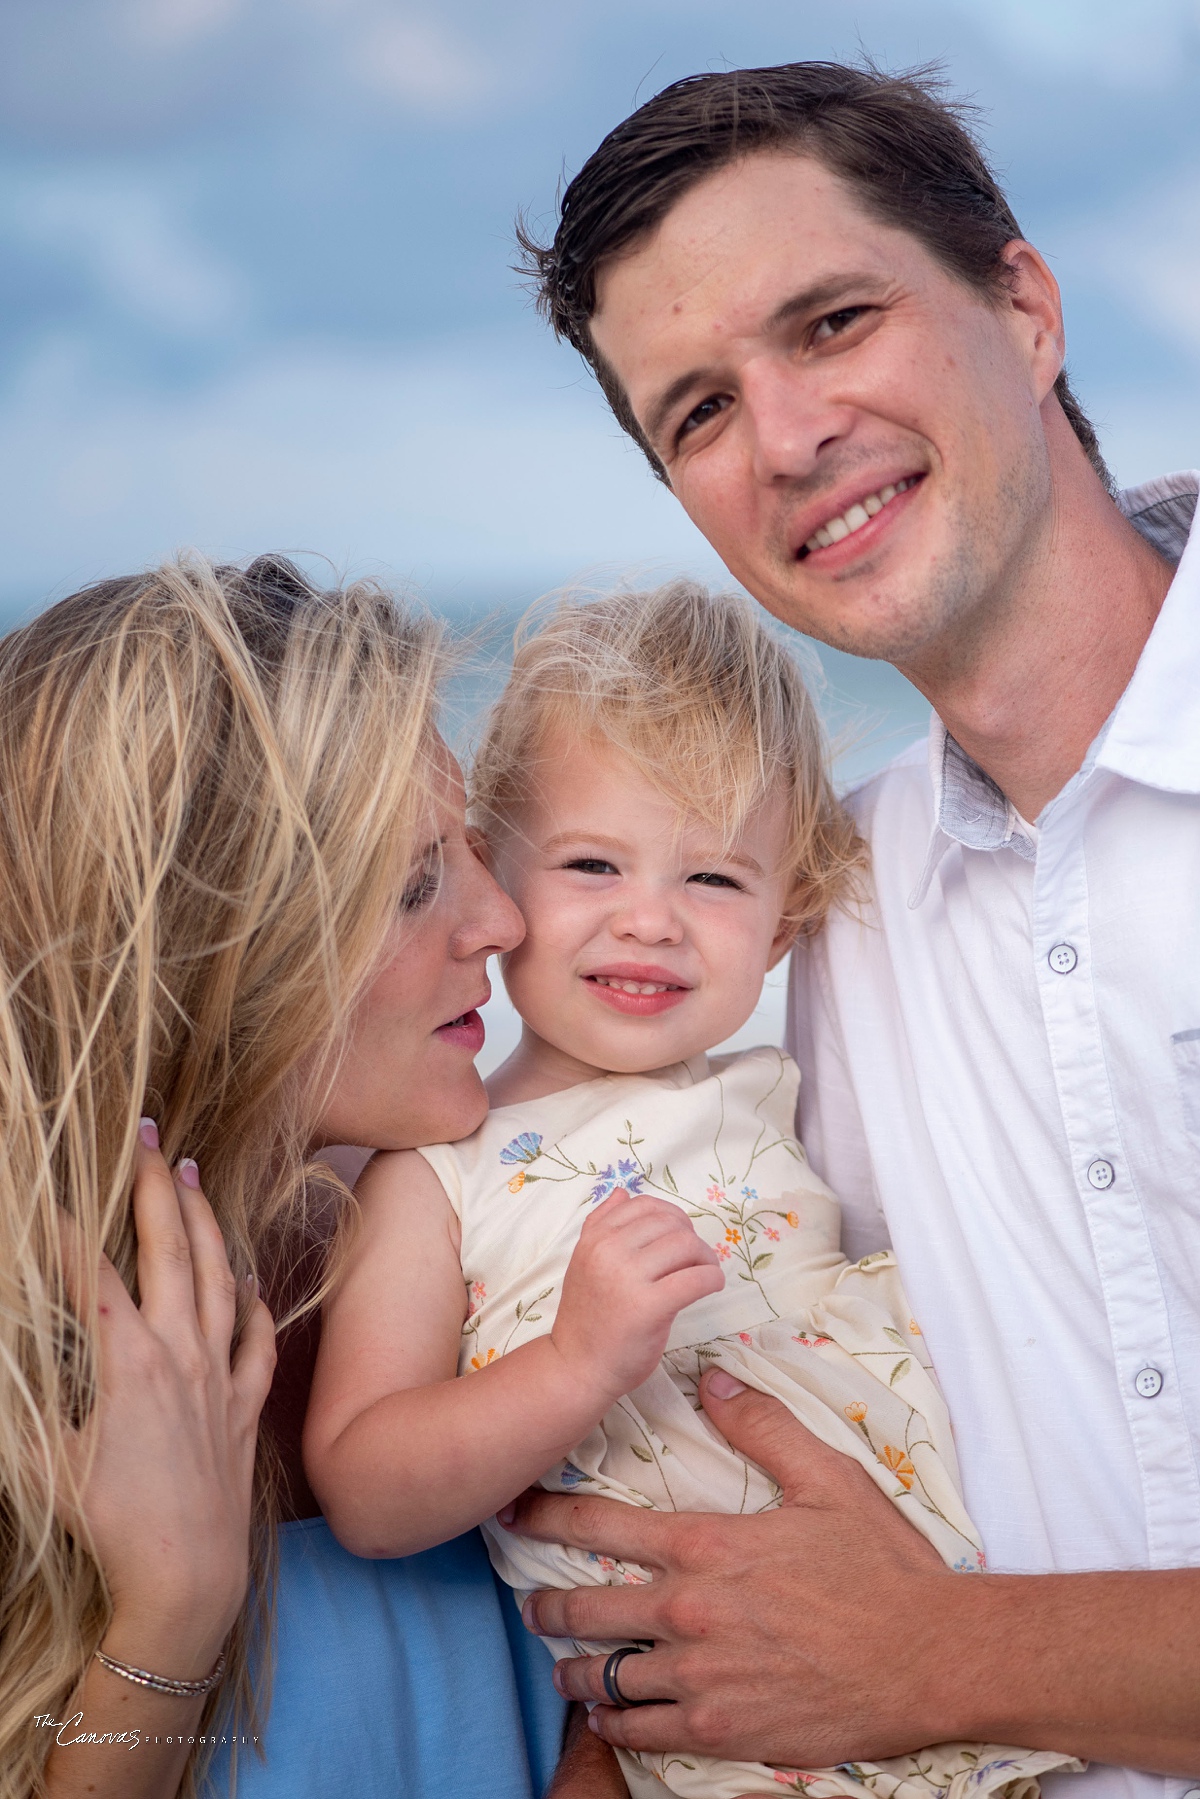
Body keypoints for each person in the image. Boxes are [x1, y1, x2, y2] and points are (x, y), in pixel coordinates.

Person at [502, 60, 1200, 1797]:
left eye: (831, 321)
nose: (791, 437)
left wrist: (935, 1654)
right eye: (700, 412)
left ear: (1025, 308)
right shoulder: (811, 915)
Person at [304, 579, 1082, 1799]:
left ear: (785, 924)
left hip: (935, 1643)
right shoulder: (436, 1173)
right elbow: (364, 1481)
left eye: (714, 880)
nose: (651, 921)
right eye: (593, 863)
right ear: (494, 876)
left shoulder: (783, 1090)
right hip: (704, 1717)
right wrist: (572, 1364)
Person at [0, 553, 565, 1799]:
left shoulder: (496, 1237)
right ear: (212, 948)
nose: (502, 920)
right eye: (414, 882)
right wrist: (171, 1611)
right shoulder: (22, 1384)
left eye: (475, 848)